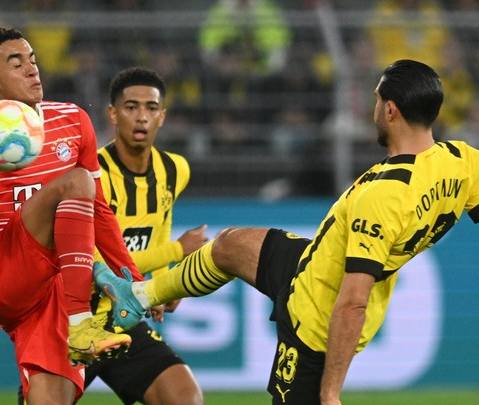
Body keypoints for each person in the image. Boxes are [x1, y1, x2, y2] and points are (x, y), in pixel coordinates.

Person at [93, 60, 479, 404]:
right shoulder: (460, 160)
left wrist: (330, 392)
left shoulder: (385, 196)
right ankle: (140, 295)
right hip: (313, 259)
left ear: (390, 110)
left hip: (315, 315)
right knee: (229, 245)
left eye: (377, 100)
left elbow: (353, 303)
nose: (373, 108)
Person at [0, 26, 149, 405]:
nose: (31, 69)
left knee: (51, 396)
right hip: (0, 268)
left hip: (51, 283)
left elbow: (99, 210)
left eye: (33, 60)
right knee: (73, 181)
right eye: (16, 62)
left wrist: (132, 278)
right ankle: (79, 324)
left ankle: (75, 324)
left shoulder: (73, 120)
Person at [17, 66, 207, 404]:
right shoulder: (91, 175)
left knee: (184, 398)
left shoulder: (176, 168)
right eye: (131, 107)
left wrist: (161, 285)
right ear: (113, 114)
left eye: (151, 108)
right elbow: (97, 262)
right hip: (71, 320)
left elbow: (160, 222)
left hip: (121, 320)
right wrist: (177, 252)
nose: (142, 118)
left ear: (162, 117)